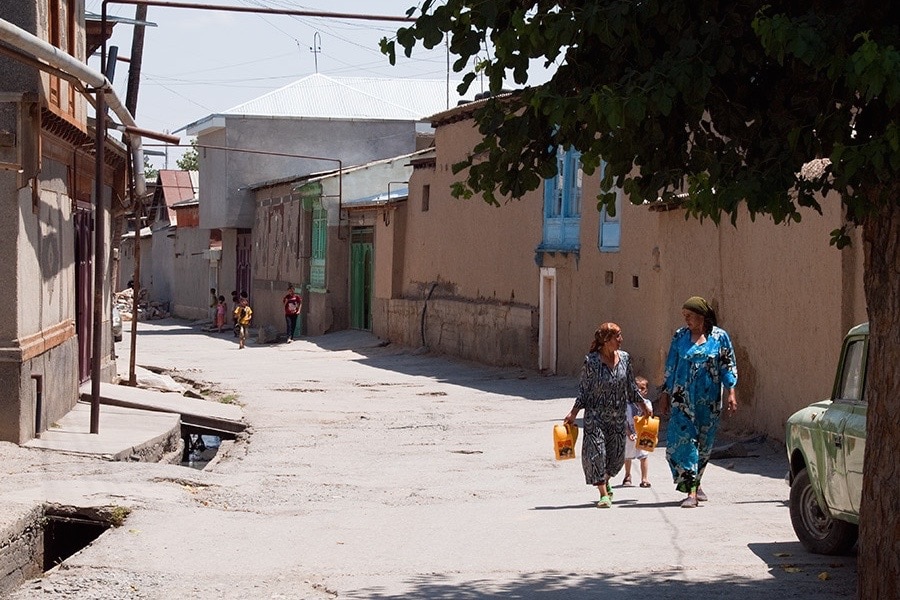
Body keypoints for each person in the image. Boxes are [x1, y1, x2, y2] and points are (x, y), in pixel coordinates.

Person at [658, 296, 738, 508]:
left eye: (690, 316)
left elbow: (728, 364)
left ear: (701, 316)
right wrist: (665, 394)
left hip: (709, 401)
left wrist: (731, 392)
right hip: (681, 399)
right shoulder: (680, 336)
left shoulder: (719, 337)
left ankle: (696, 482)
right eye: (684, 317)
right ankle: (691, 492)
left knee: (704, 444)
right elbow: (671, 365)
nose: (687, 321)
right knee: (681, 443)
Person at [564, 322, 651, 508]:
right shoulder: (592, 361)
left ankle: (605, 478)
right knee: (597, 453)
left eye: (620, 335)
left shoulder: (625, 359)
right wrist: (573, 413)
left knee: (617, 458)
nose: (621, 339)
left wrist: (643, 405)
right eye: (617, 336)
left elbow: (631, 387)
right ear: (606, 340)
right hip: (595, 417)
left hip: (618, 417)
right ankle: (603, 493)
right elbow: (584, 391)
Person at [622, 375, 654, 488]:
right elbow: (623, 420)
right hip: (629, 433)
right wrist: (629, 433)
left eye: (642, 389)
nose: (639, 391)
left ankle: (644, 478)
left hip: (643, 434)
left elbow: (650, 417)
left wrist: (644, 406)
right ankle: (627, 475)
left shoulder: (647, 403)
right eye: (636, 389)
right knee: (628, 456)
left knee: (644, 456)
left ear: (646, 391)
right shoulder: (626, 405)